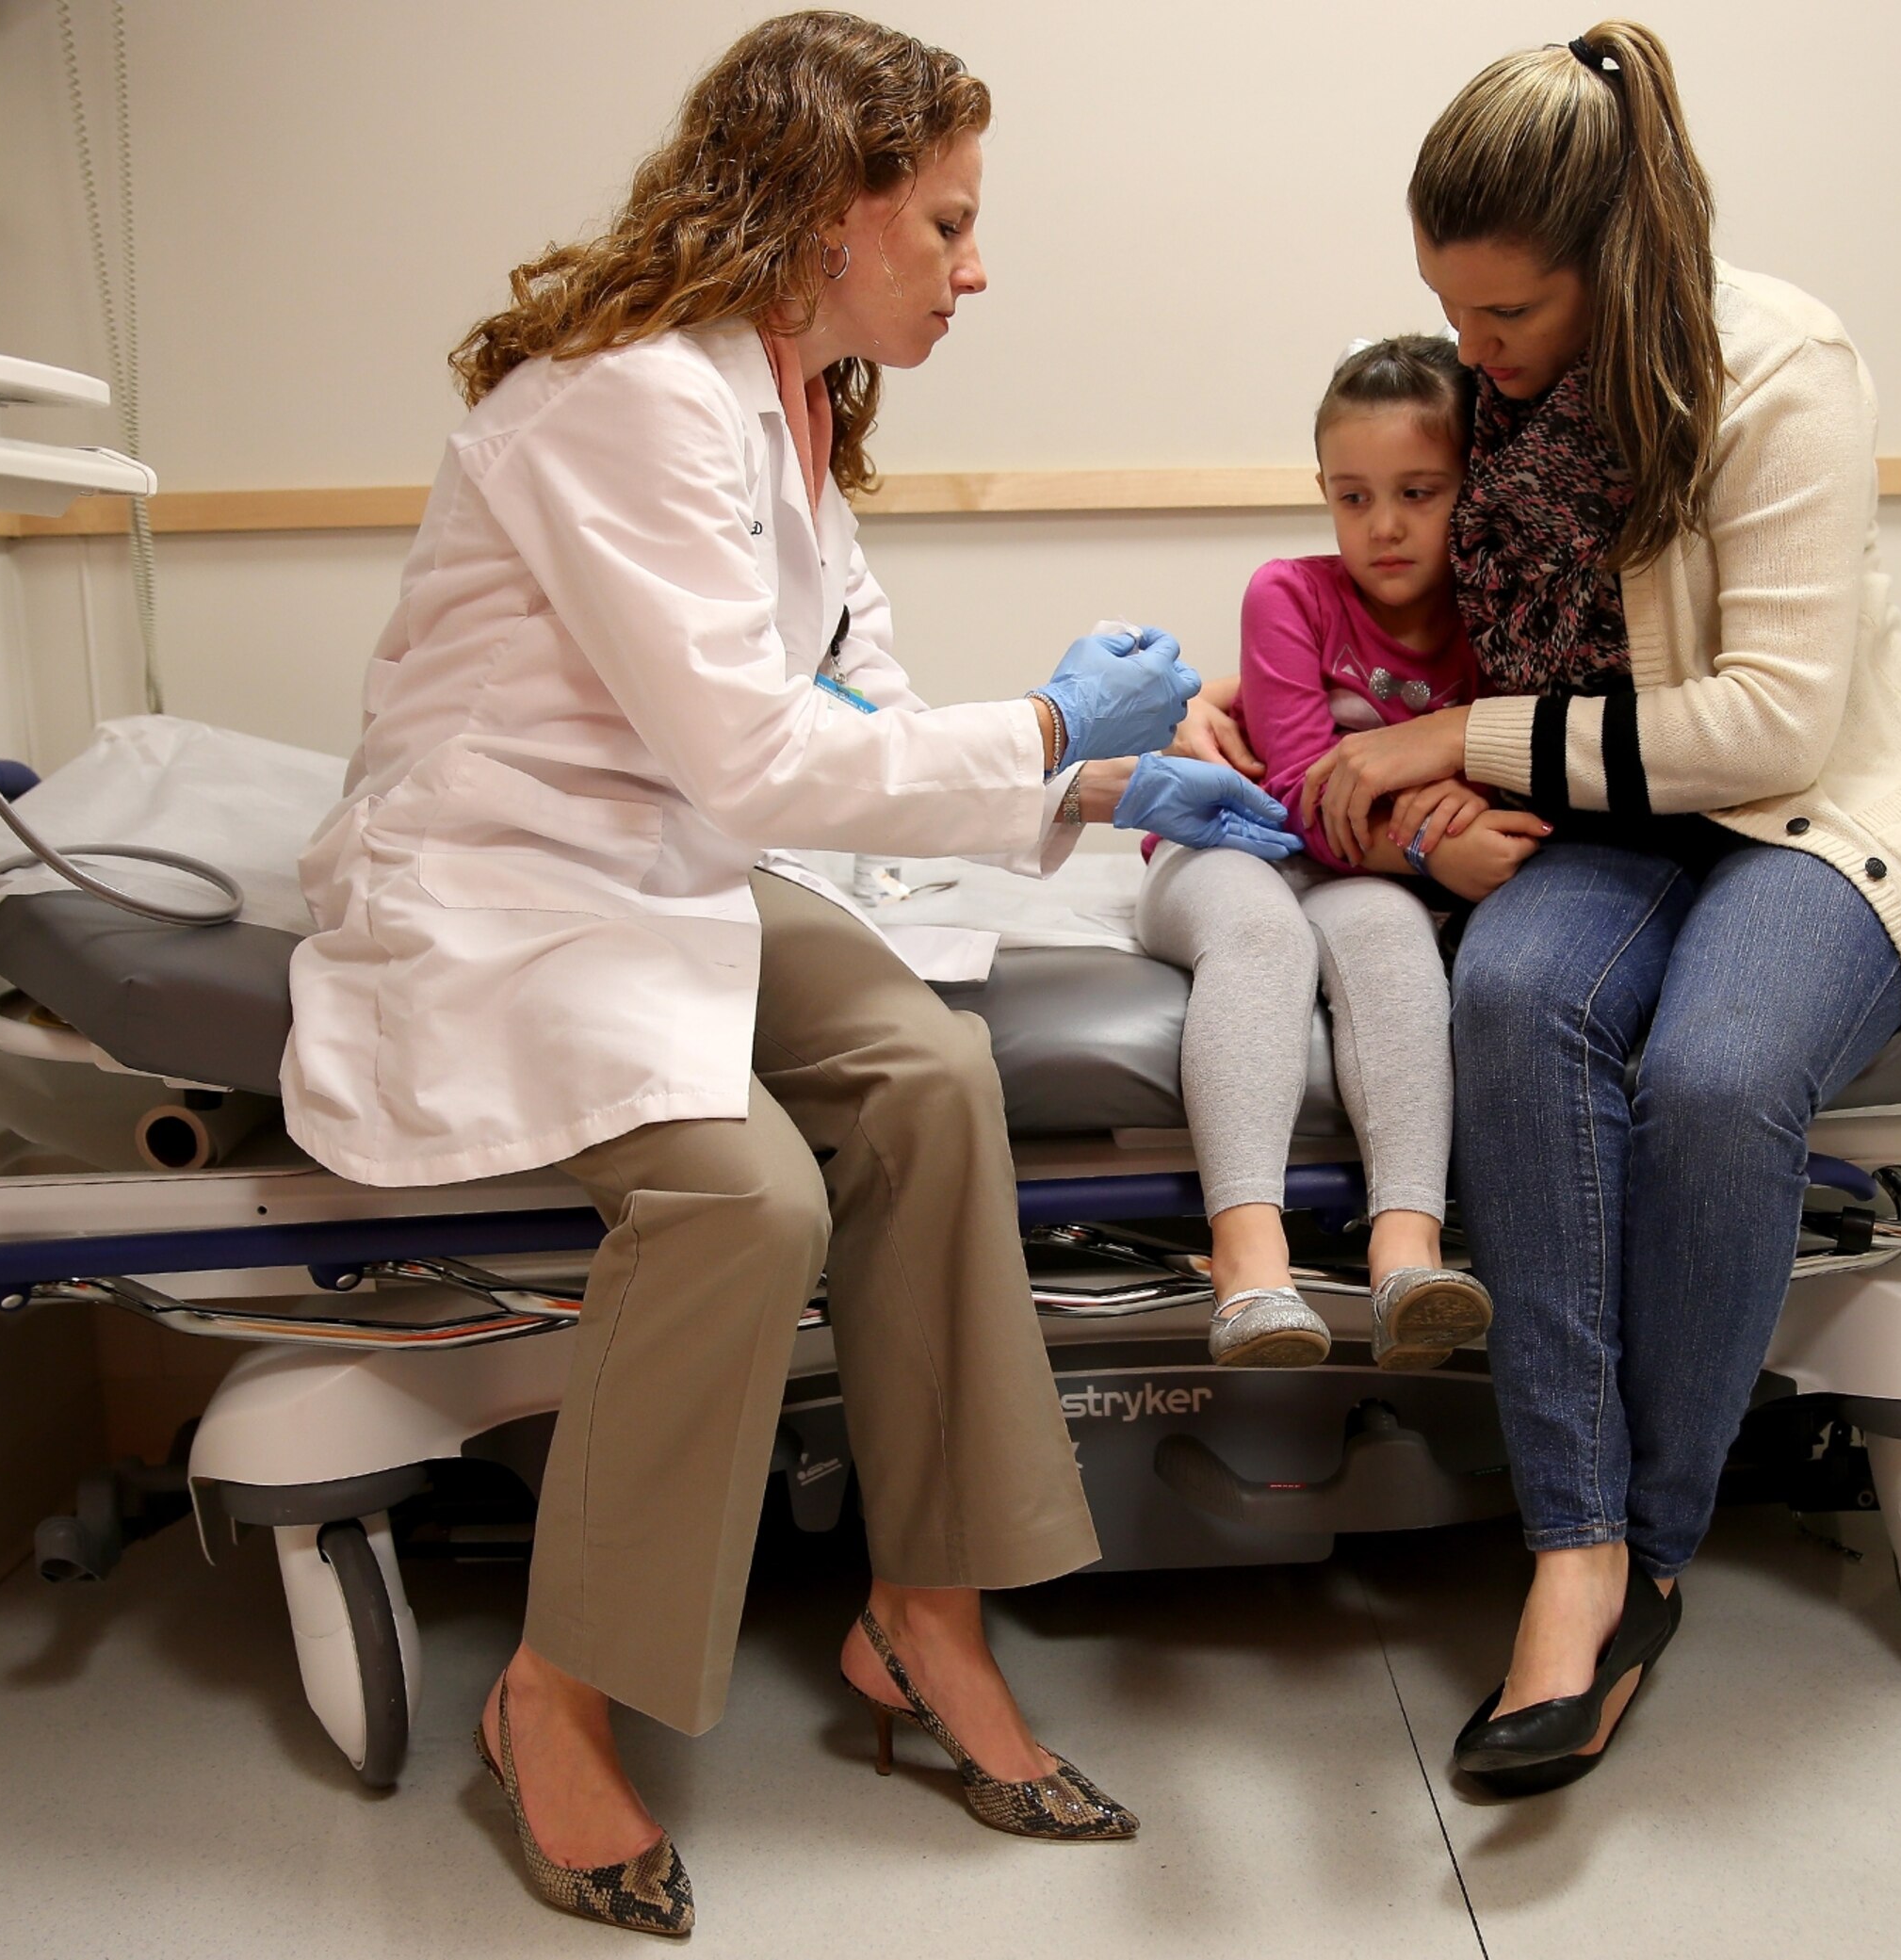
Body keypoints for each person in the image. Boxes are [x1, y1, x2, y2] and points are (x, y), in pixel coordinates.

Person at [279, 13, 1287, 1933]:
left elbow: (866, 721)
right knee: (744, 1195)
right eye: (951, 221)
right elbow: (754, 753)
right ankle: (554, 1686)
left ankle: (926, 1614)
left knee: (926, 1073)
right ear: (834, 204)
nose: (977, 267)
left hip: (666, 867)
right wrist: (1057, 709)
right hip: (504, 888)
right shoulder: (629, 396)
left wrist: (1099, 773)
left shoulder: (799, 405)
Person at [1289, 22, 1901, 1795]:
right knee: (1512, 1005)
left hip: (1806, 820)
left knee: (1714, 1078)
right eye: (1450, 310)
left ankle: (1653, 1552)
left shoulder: (1779, 368)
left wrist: (1460, 733)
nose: (1475, 350)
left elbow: (1769, 719)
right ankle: (1572, 1541)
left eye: (1507, 315)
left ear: (1620, 255)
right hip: (1605, 816)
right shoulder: (1503, 381)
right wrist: (1301, 712)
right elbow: (1411, 596)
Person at [1136, 335, 1519, 1370]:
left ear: (1472, 487)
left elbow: (1520, 764)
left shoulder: (1500, 615)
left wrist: (1457, 799)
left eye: (1418, 492)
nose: (1383, 525)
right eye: (1352, 497)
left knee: (1393, 937)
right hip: (1231, 842)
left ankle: (1409, 1248)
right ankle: (1249, 1262)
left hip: (1367, 874)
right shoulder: (1289, 595)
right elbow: (1306, 798)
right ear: (1323, 492)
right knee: (1264, 936)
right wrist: (1441, 835)